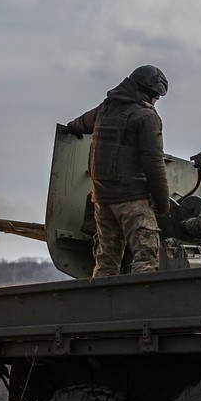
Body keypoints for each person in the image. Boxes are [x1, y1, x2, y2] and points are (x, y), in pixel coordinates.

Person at [66, 65, 170, 276]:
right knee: (146, 258)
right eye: (154, 96)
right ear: (146, 91)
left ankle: (103, 303)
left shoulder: (104, 110)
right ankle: (142, 305)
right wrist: (162, 202)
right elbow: (153, 162)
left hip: (102, 200)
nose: (155, 101)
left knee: (106, 261)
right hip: (132, 199)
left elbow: (78, 124)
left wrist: (70, 128)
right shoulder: (146, 116)